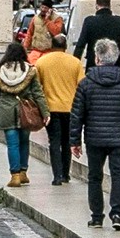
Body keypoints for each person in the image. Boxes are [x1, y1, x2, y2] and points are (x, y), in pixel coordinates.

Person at [70, 40, 120, 231]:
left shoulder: (86, 84)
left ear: (97, 58)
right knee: (119, 174)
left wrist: (74, 141)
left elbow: (77, 115)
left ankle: (96, 217)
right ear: (117, 58)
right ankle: (117, 213)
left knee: (94, 176)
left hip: (94, 138)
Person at [0, 40, 47, 187]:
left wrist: (5, 100)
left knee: (12, 144)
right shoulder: (29, 70)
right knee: (24, 142)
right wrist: (45, 112)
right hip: (25, 111)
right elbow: (38, 93)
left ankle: (14, 176)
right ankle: (23, 172)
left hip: (7, 111)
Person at [34, 34, 84, 185]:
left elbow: (37, 87)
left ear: (51, 45)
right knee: (67, 141)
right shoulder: (75, 63)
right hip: (70, 108)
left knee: (54, 141)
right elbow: (81, 86)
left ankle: (57, 176)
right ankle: (66, 174)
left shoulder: (42, 62)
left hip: (51, 108)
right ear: (65, 46)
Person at [72, 0, 120, 69]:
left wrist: (75, 62)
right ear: (109, 6)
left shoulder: (89, 21)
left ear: (97, 6)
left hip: (93, 64)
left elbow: (81, 44)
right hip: (115, 63)